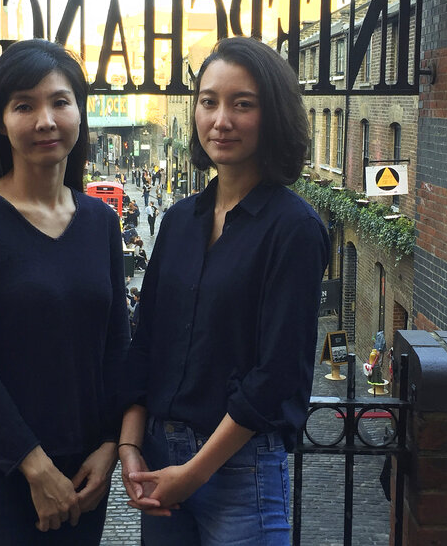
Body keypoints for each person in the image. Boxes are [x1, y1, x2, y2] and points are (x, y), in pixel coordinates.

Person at [118, 36, 330, 545]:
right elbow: (147, 342)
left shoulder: (293, 228)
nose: (221, 120)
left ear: (272, 115)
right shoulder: (178, 221)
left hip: (241, 467)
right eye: (209, 101)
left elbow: (277, 373)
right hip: (159, 455)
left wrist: (194, 473)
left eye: (243, 104)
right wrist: (129, 446)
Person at [0, 39, 130, 546]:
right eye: (25, 105)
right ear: (0, 121)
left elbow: (116, 350)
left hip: (83, 476)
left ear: (80, 113)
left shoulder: (100, 223)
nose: (46, 120)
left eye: (60, 102)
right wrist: (35, 468)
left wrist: (110, 445)